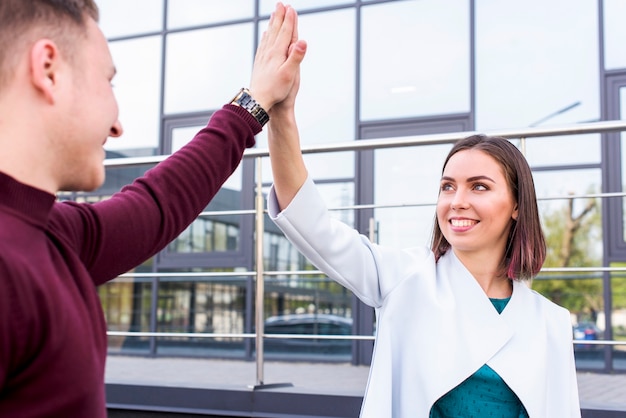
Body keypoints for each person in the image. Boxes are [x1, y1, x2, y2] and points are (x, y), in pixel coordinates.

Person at [0, 1, 306, 416]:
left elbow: (155, 205)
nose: (117, 124)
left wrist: (256, 104)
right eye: (108, 82)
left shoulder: (53, 234)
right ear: (48, 69)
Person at [266, 61, 580, 416]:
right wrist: (281, 114)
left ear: (517, 205)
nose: (457, 200)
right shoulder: (405, 278)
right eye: (448, 186)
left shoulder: (550, 322)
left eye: (479, 186)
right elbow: (312, 225)